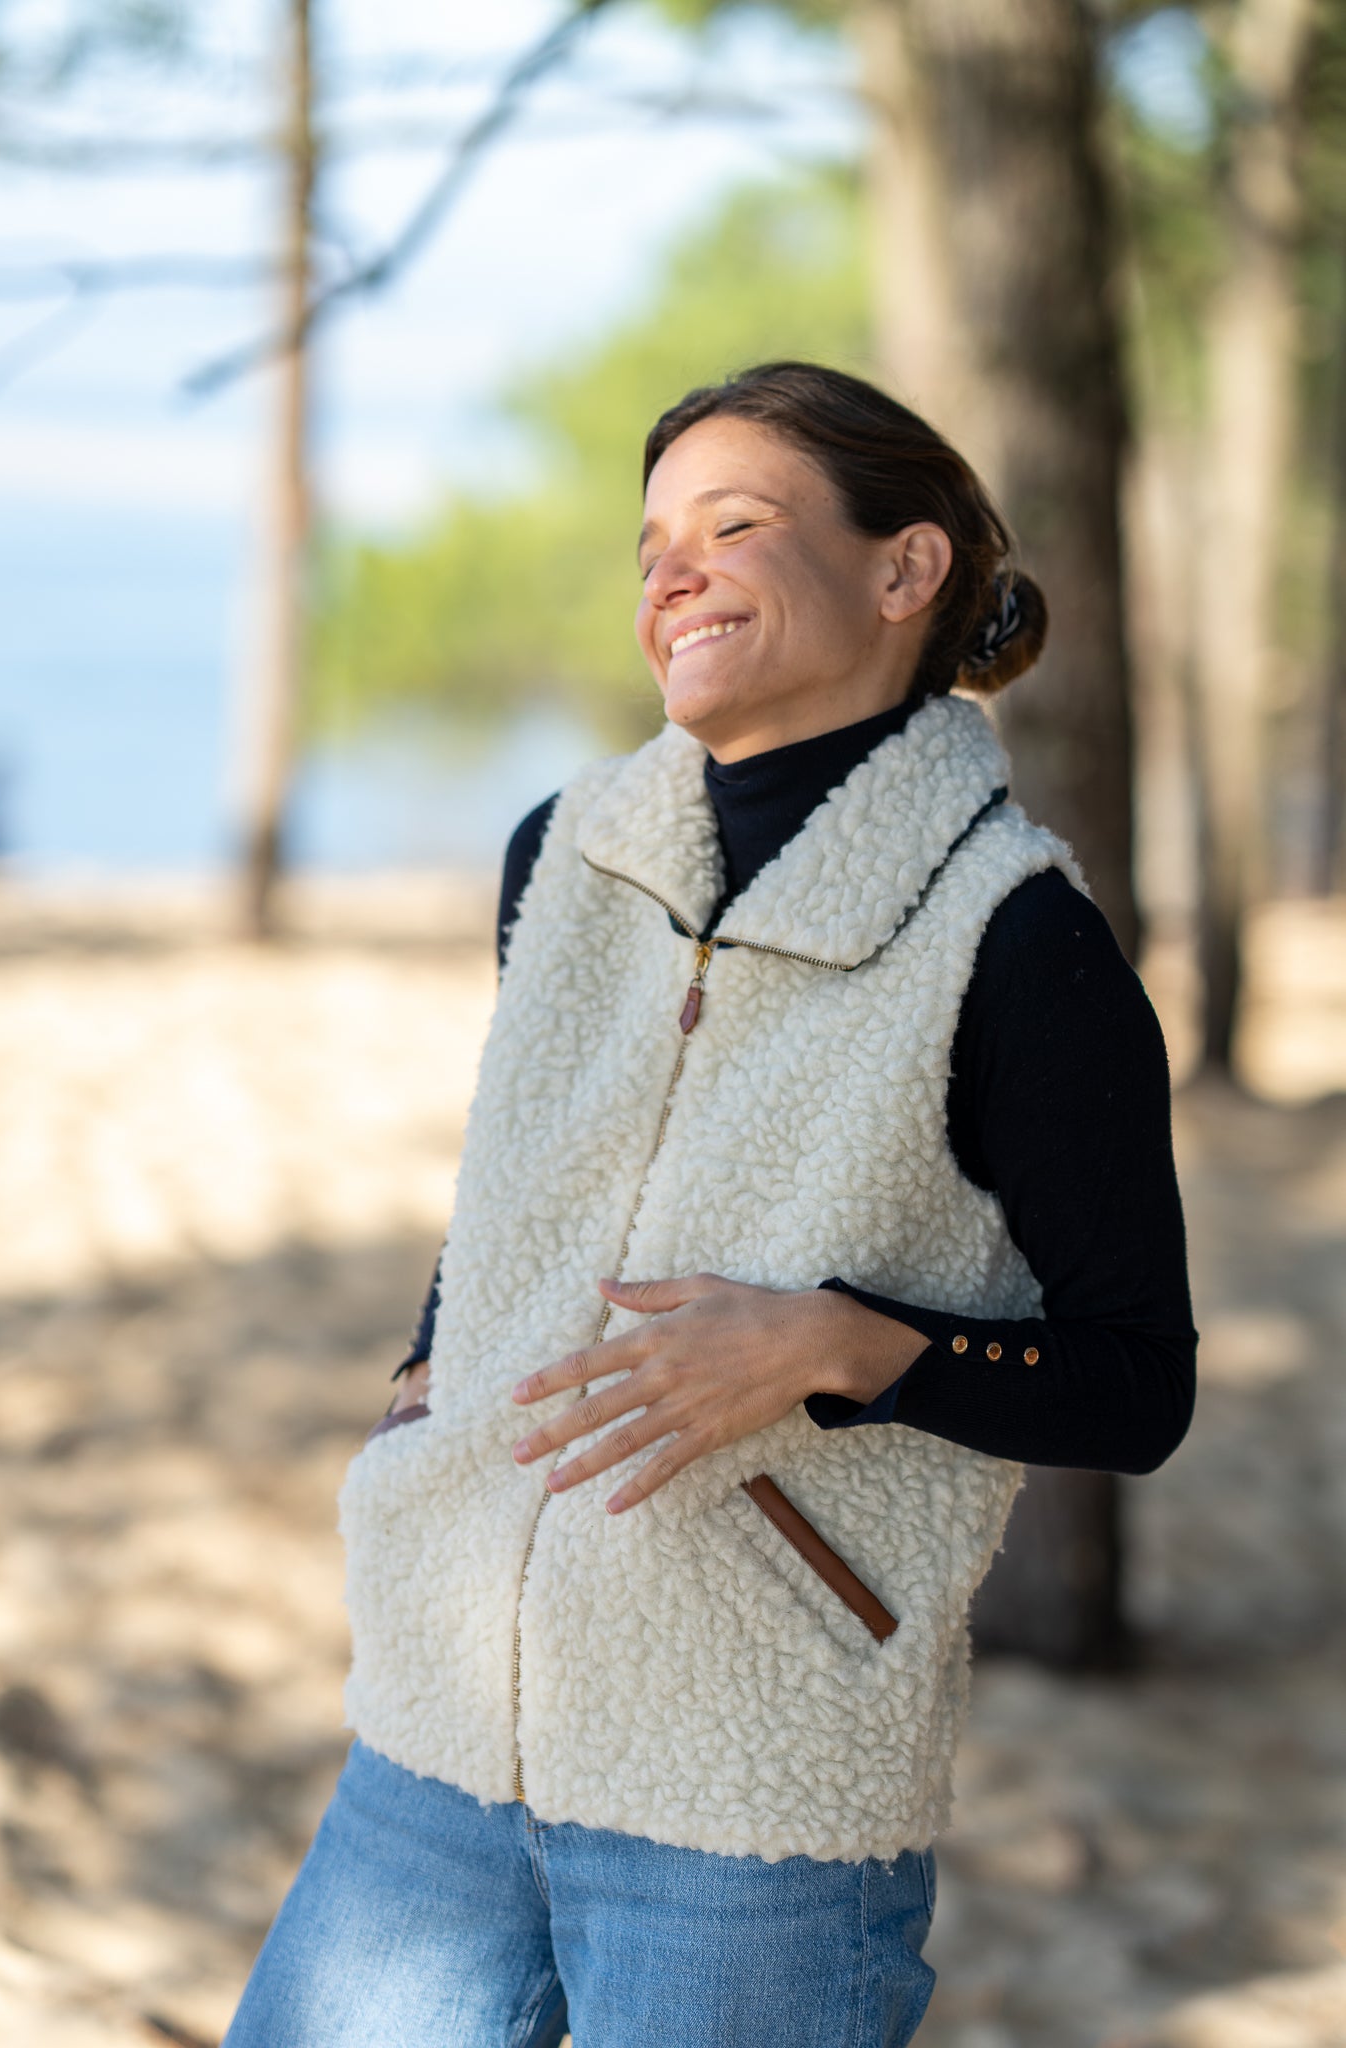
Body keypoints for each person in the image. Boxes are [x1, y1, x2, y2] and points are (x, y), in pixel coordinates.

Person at [224, 361, 1196, 2048]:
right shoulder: (559, 850)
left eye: (733, 526)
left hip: (748, 1798)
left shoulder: (1015, 942)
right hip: (437, 1743)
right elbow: (524, 1172)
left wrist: (836, 1346)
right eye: (652, 543)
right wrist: (424, 1384)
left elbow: (1136, 1384)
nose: (671, 573)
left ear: (904, 571)